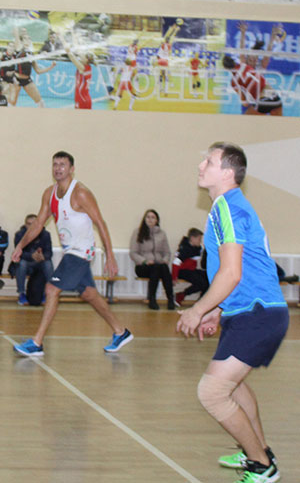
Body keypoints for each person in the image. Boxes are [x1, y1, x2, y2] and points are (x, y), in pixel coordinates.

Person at [176, 142, 288, 483]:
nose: (201, 166)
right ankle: (258, 449)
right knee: (233, 386)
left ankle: (261, 465)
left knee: (212, 392)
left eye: (208, 161)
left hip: (258, 313)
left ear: (227, 172)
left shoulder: (229, 208)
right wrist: (219, 309)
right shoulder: (224, 206)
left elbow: (231, 273)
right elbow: (242, 270)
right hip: (250, 311)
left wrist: (198, 309)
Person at [11, 151, 132, 357]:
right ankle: (120, 332)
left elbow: (100, 223)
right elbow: (38, 223)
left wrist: (110, 256)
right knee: (89, 294)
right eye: (55, 164)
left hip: (81, 252)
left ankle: (37, 342)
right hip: (70, 251)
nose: (58, 168)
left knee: (51, 289)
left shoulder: (81, 193)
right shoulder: (49, 193)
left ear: (72, 169)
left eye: (62, 165)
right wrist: (21, 245)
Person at [129, 209, 176, 310]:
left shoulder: (162, 234)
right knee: (156, 268)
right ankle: (152, 300)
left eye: (153, 217)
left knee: (163, 267)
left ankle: (170, 299)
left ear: (157, 220)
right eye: (148, 217)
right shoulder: (138, 232)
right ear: (144, 219)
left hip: (158, 265)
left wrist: (165, 260)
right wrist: (145, 261)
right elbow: (133, 253)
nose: (150, 219)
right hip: (143, 266)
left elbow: (167, 252)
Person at [13, 213, 53, 306]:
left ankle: (48, 293)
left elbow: (49, 252)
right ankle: (21, 293)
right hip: (27, 262)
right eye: (29, 224)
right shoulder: (19, 235)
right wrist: (31, 256)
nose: (31, 226)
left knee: (48, 264)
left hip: (41, 262)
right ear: (25, 225)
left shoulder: (45, 234)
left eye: (34, 224)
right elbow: (19, 252)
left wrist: (43, 256)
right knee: (21, 263)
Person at [10, 28, 56, 107]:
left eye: (29, 39)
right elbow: (16, 34)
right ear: (22, 41)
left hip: (27, 80)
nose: (27, 40)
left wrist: (51, 67)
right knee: (12, 103)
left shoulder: (31, 54)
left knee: (41, 103)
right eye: (25, 38)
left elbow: (38, 71)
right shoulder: (19, 48)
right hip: (16, 80)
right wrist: (19, 31)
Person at [172, 227, 209, 305]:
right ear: (192, 238)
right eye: (199, 239)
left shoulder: (198, 248)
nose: (200, 241)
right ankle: (181, 295)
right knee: (201, 283)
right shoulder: (185, 249)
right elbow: (175, 263)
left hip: (191, 270)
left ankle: (202, 300)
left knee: (209, 278)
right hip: (182, 271)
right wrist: (174, 277)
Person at [65, 33, 94, 110]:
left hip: (81, 99)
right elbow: (78, 49)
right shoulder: (88, 67)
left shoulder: (82, 68)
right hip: (86, 98)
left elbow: (72, 58)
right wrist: (73, 32)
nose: (80, 56)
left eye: (82, 56)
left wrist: (68, 51)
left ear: (86, 60)